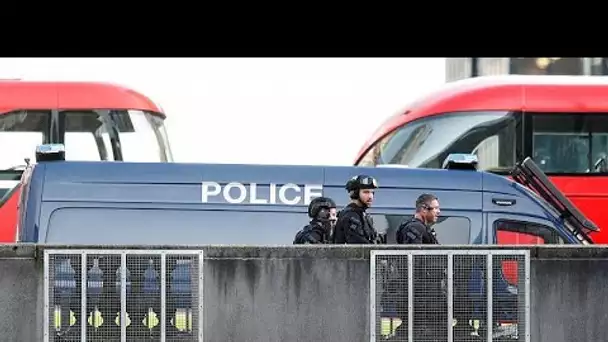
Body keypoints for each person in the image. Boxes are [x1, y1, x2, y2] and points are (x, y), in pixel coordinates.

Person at [332, 174, 383, 244]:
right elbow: (359, 246)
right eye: (366, 192)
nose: (370, 196)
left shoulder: (362, 215)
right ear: (355, 193)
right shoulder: (350, 216)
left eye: (372, 192)